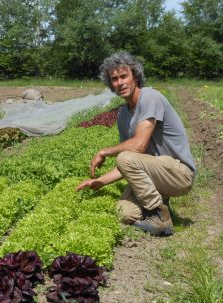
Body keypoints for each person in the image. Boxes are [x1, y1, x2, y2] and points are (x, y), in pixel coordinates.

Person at [76, 52, 196, 236]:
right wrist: (99, 182)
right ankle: (159, 203)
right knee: (123, 213)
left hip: (179, 174)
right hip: (154, 174)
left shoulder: (149, 97)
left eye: (124, 76)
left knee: (125, 156)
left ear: (135, 76)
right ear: (111, 84)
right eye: (114, 79)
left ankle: (160, 217)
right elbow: (128, 164)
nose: (120, 82)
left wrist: (104, 152)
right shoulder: (123, 114)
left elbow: (137, 147)